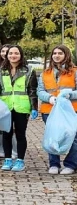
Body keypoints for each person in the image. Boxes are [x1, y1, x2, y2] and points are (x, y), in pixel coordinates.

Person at [0, 45, 38, 172]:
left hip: (21, 107)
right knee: (6, 134)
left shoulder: (28, 70)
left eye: (16, 53)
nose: (13, 55)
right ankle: (7, 159)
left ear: (21, 55)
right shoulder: (0, 71)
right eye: (11, 53)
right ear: (7, 55)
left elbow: (32, 90)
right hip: (5, 107)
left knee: (20, 134)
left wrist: (34, 107)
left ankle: (20, 160)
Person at [38, 45, 77, 175]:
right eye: (54, 53)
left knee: (73, 137)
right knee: (53, 136)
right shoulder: (45, 73)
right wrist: (49, 98)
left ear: (66, 55)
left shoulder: (74, 71)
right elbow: (40, 91)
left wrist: (70, 95)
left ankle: (70, 164)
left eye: (60, 53)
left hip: (71, 111)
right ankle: (54, 164)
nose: (57, 55)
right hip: (49, 109)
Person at [0, 44, 18, 159]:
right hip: (2, 104)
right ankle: (1, 149)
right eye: (3, 51)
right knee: (2, 129)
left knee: (14, 130)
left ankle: (15, 151)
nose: (4, 53)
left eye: (6, 51)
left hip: (18, 105)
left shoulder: (22, 68)